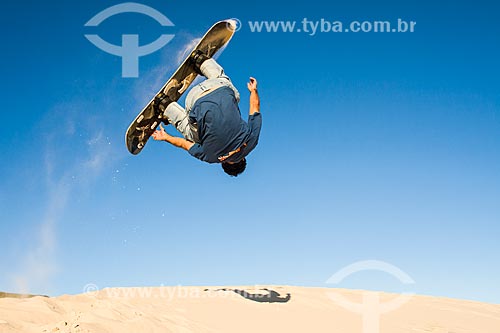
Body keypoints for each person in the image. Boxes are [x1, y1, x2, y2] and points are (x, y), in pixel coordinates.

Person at [151, 51, 262, 177]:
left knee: (233, 95)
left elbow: (254, 107)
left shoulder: (252, 141)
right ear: (224, 164)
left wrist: (253, 90)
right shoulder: (211, 157)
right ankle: (164, 104)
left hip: (219, 86)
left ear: (243, 159)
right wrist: (165, 137)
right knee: (195, 137)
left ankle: (200, 60)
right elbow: (184, 144)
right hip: (194, 99)